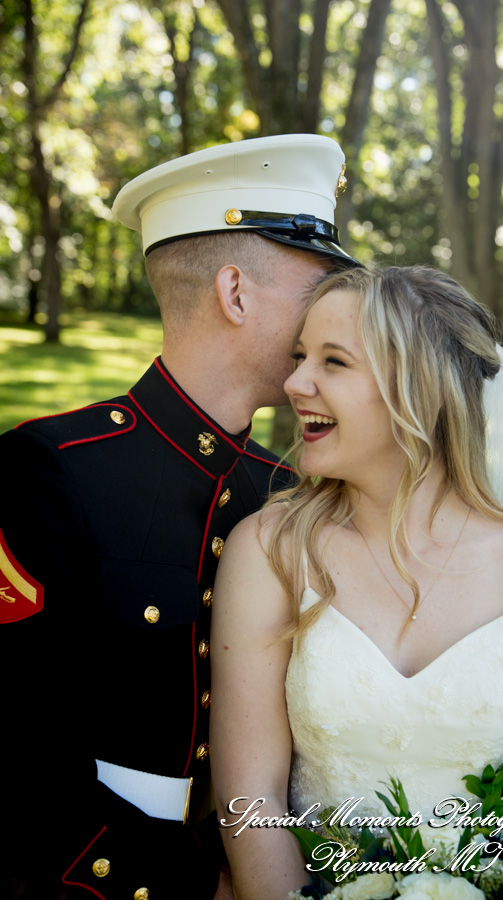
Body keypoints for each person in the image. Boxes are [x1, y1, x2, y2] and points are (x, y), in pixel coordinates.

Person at [0, 134, 358, 900]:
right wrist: (193, 887)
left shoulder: (289, 489)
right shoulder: (53, 468)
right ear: (235, 293)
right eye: (317, 287)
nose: (331, 313)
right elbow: (13, 750)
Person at [210, 265, 503, 899]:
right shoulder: (271, 552)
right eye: (299, 355)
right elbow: (247, 803)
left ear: (421, 391)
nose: (294, 382)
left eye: (333, 362)